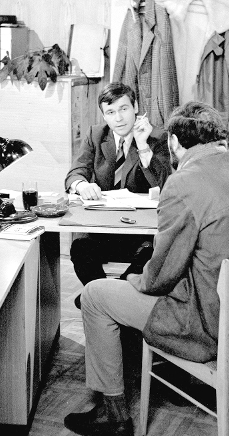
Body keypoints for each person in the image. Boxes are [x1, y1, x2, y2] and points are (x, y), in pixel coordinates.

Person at [64, 101, 229, 436]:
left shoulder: (183, 183)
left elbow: (159, 277)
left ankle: (113, 415)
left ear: (176, 142)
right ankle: (154, 368)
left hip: (211, 327)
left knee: (95, 295)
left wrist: (131, 280)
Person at [64, 82, 172, 307]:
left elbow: (164, 185)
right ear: (104, 116)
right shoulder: (96, 135)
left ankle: (103, 299)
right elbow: (75, 172)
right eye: (111, 112)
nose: (119, 118)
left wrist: (143, 146)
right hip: (104, 229)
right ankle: (105, 298)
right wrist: (81, 185)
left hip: (140, 233)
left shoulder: (158, 137)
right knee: (80, 247)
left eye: (124, 109)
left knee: (152, 254)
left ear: (135, 107)